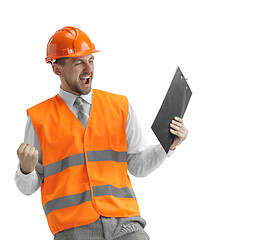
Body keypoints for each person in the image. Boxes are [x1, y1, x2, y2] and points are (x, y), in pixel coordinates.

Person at [14, 26, 188, 240]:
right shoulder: (39, 118)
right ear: (57, 69)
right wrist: (26, 169)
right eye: (78, 62)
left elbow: (137, 166)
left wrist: (167, 145)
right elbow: (28, 187)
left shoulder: (119, 106)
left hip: (126, 224)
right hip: (74, 229)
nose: (88, 68)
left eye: (91, 60)